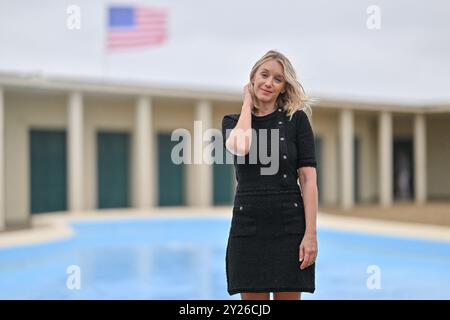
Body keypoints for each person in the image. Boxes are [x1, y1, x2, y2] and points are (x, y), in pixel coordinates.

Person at [221, 50, 318, 300]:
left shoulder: (296, 121)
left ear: (284, 87)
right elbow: (241, 146)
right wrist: (247, 102)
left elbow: (308, 180)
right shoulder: (232, 122)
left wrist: (310, 234)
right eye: (264, 75)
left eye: (277, 79)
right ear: (252, 78)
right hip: (248, 226)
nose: (269, 83)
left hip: (289, 227)